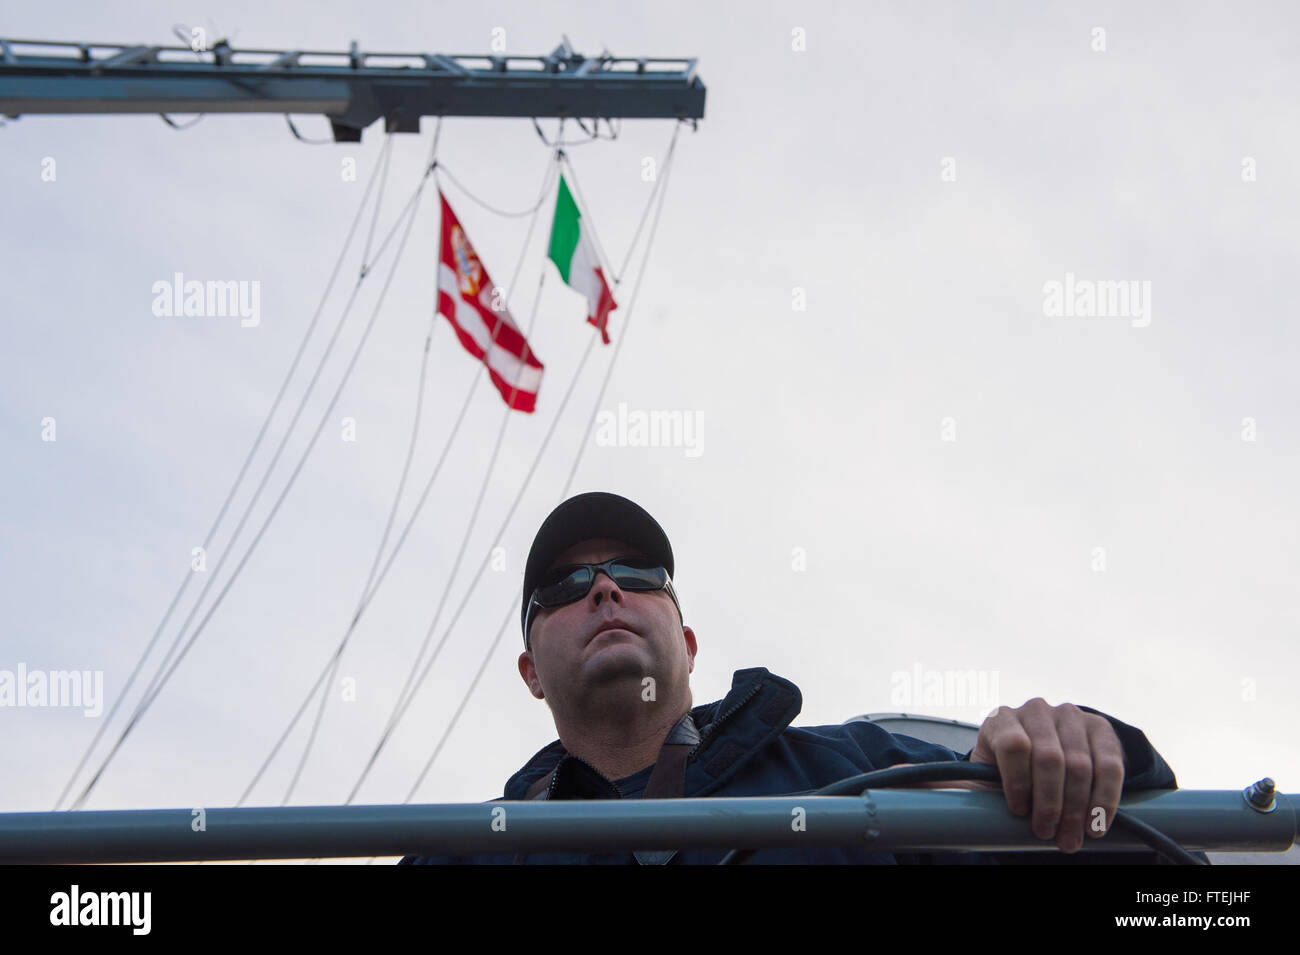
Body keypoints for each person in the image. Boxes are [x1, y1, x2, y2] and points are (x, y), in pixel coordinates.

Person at [400, 491, 1199, 864]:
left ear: (687, 638)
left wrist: (1089, 755)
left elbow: (1164, 880)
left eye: (637, 573)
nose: (605, 588)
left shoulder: (854, 772)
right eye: (567, 587)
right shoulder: (462, 854)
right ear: (531, 671)